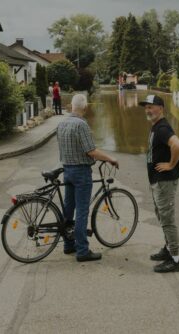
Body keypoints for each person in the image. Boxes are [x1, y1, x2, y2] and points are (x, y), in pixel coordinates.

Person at [57, 94, 118, 262]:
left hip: (67, 170)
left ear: (71, 106)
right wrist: (110, 158)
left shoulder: (62, 123)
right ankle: (82, 251)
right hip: (81, 173)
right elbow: (91, 151)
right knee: (82, 211)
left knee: (68, 209)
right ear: (85, 108)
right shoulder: (81, 125)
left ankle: (68, 245)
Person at [139, 94, 179, 273]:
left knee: (167, 219)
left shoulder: (163, 127)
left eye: (151, 106)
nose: (148, 110)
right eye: (146, 107)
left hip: (165, 181)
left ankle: (175, 260)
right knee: (161, 215)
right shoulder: (156, 126)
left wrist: (171, 164)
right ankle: (168, 249)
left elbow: (178, 145)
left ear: (161, 108)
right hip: (158, 181)